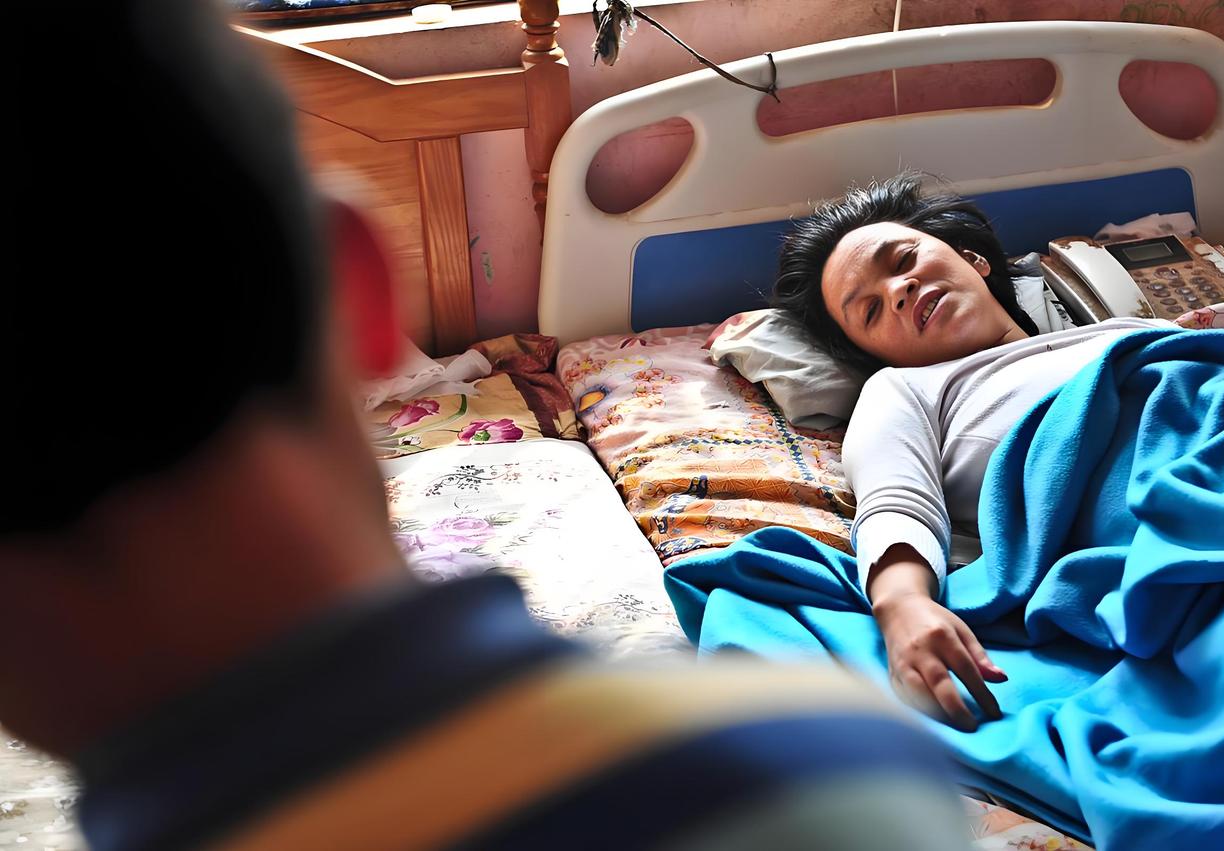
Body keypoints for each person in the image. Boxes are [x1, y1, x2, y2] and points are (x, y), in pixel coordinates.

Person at [1, 4, 978, 850]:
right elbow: (896, 500)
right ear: (362, 293)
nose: (905, 289)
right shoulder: (822, 784)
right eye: (870, 296)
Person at [774, 173, 1171, 732]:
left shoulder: (1135, 332)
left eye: (903, 260)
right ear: (876, 351)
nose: (898, 290)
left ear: (973, 259)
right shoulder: (906, 391)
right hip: (1167, 533)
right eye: (870, 311)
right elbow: (896, 506)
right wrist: (903, 606)